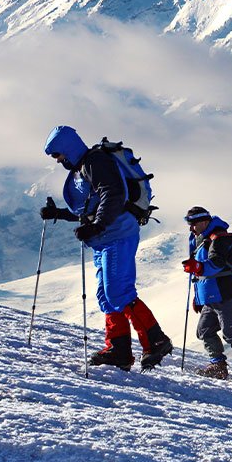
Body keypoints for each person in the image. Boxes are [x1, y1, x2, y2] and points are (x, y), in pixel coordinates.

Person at [41, 125, 172, 371]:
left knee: (118, 292)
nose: (57, 160)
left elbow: (113, 195)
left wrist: (98, 226)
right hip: (104, 238)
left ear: (67, 148)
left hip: (118, 233)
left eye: (57, 154)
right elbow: (91, 207)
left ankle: (156, 340)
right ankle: (118, 350)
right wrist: (58, 214)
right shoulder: (82, 168)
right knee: (106, 296)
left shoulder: (95, 162)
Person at [182, 206, 232, 385]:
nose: (191, 227)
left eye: (193, 223)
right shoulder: (202, 238)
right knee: (204, 330)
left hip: (226, 294)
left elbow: (216, 264)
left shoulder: (220, 238)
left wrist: (197, 267)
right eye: (189, 224)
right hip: (211, 296)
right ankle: (218, 366)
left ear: (204, 221)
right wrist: (198, 297)